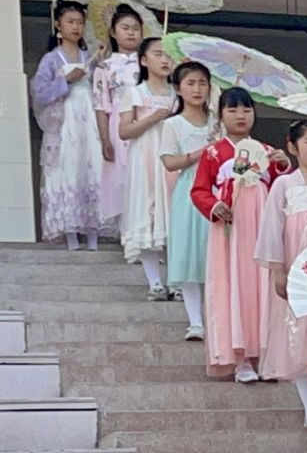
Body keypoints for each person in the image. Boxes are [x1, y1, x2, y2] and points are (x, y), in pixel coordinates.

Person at [190, 88, 290, 383]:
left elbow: (282, 187)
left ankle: (268, 354)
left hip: (262, 224)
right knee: (235, 284)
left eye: (246, 109)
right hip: (230, 228)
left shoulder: (266, 150)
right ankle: (241, 356)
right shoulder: (213, 152)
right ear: (220, 115)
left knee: (263, 283)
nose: (240, 116)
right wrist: (215, 205)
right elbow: (198, 190)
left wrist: (283, 165)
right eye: (232, 110)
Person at [256, 120, 307, 429]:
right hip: (297, 269)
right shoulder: (285, 185)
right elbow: (272, 228)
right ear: (293, 147)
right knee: (298, 336)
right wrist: (277, 269)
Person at [30, 0, 103, 251]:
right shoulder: (51, 59)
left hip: (89, 118)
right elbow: (39, 93)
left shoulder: (90, 57)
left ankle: (93, 234)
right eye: (70, 22)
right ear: (58, 25)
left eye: (80, 23)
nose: (76, 27)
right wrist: (66, 81)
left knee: (91, 167)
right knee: (68, 168)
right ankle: (71, 234)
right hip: (65, 121)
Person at [159, 60, 215, 341]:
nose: (197, 89)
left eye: (202, 83)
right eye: (191, 83)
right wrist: (198, 154)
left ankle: (217, 319)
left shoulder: (218, 122)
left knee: (215, 255)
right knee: (190, 255)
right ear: (178, 88)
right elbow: (169, 162)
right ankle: (195, 321)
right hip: (189, 190)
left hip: (217, 190)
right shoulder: (173, 125)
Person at [118, 37, 177, 300]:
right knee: (147, 216)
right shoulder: (134, 92)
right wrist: (153, 118)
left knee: (173, 216)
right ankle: (154, 281)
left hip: (172, 159)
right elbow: (124, 131)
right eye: (158, 54)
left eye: (168, 55)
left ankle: (176, 280)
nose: (165, 60)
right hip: (145, 158)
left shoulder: (179, 95)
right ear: (143, 60)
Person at [92, 4, 146, 239]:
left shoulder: (148, 63)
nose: (131, 33)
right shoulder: (104, 67)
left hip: (144, 121)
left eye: (136, 28)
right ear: (113, 32)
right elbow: (101, 106)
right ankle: (125, 232)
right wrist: (105, 138)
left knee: (145, 176)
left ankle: (144, 230)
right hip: (117, 125)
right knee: (120, 178)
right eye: (125, 28)